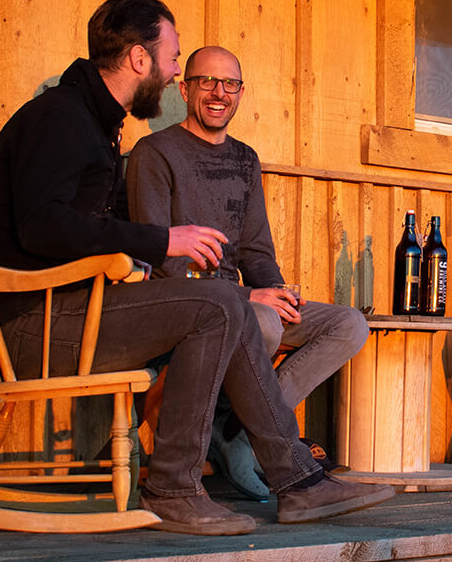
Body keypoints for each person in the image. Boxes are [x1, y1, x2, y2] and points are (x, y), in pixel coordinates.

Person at [0, 0, 392, 536]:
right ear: (139, 60)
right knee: (219, 304)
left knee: (228, 305)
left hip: (68, 307)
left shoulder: (92, 121)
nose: (173, 75)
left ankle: (296, 481)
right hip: (34, 325)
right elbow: (42, 227)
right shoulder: (62, 119)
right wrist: (161, 241)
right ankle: (182, 484)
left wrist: (142, 261)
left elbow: (70, 230)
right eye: (173, 60)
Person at [126, 45, 368, 499]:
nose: (219, 93)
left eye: (230, 84)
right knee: (262, 324)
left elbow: (256, 249)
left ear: (241, 92)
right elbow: (160, 258)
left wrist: (274, 290)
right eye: (207, 82)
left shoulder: (244, 158)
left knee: (348, 325)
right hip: (180, 307)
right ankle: (247, 438)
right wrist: (248, 300)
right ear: (185, 88)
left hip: (243, 301)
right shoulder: (155, 153)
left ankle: (236, 431)